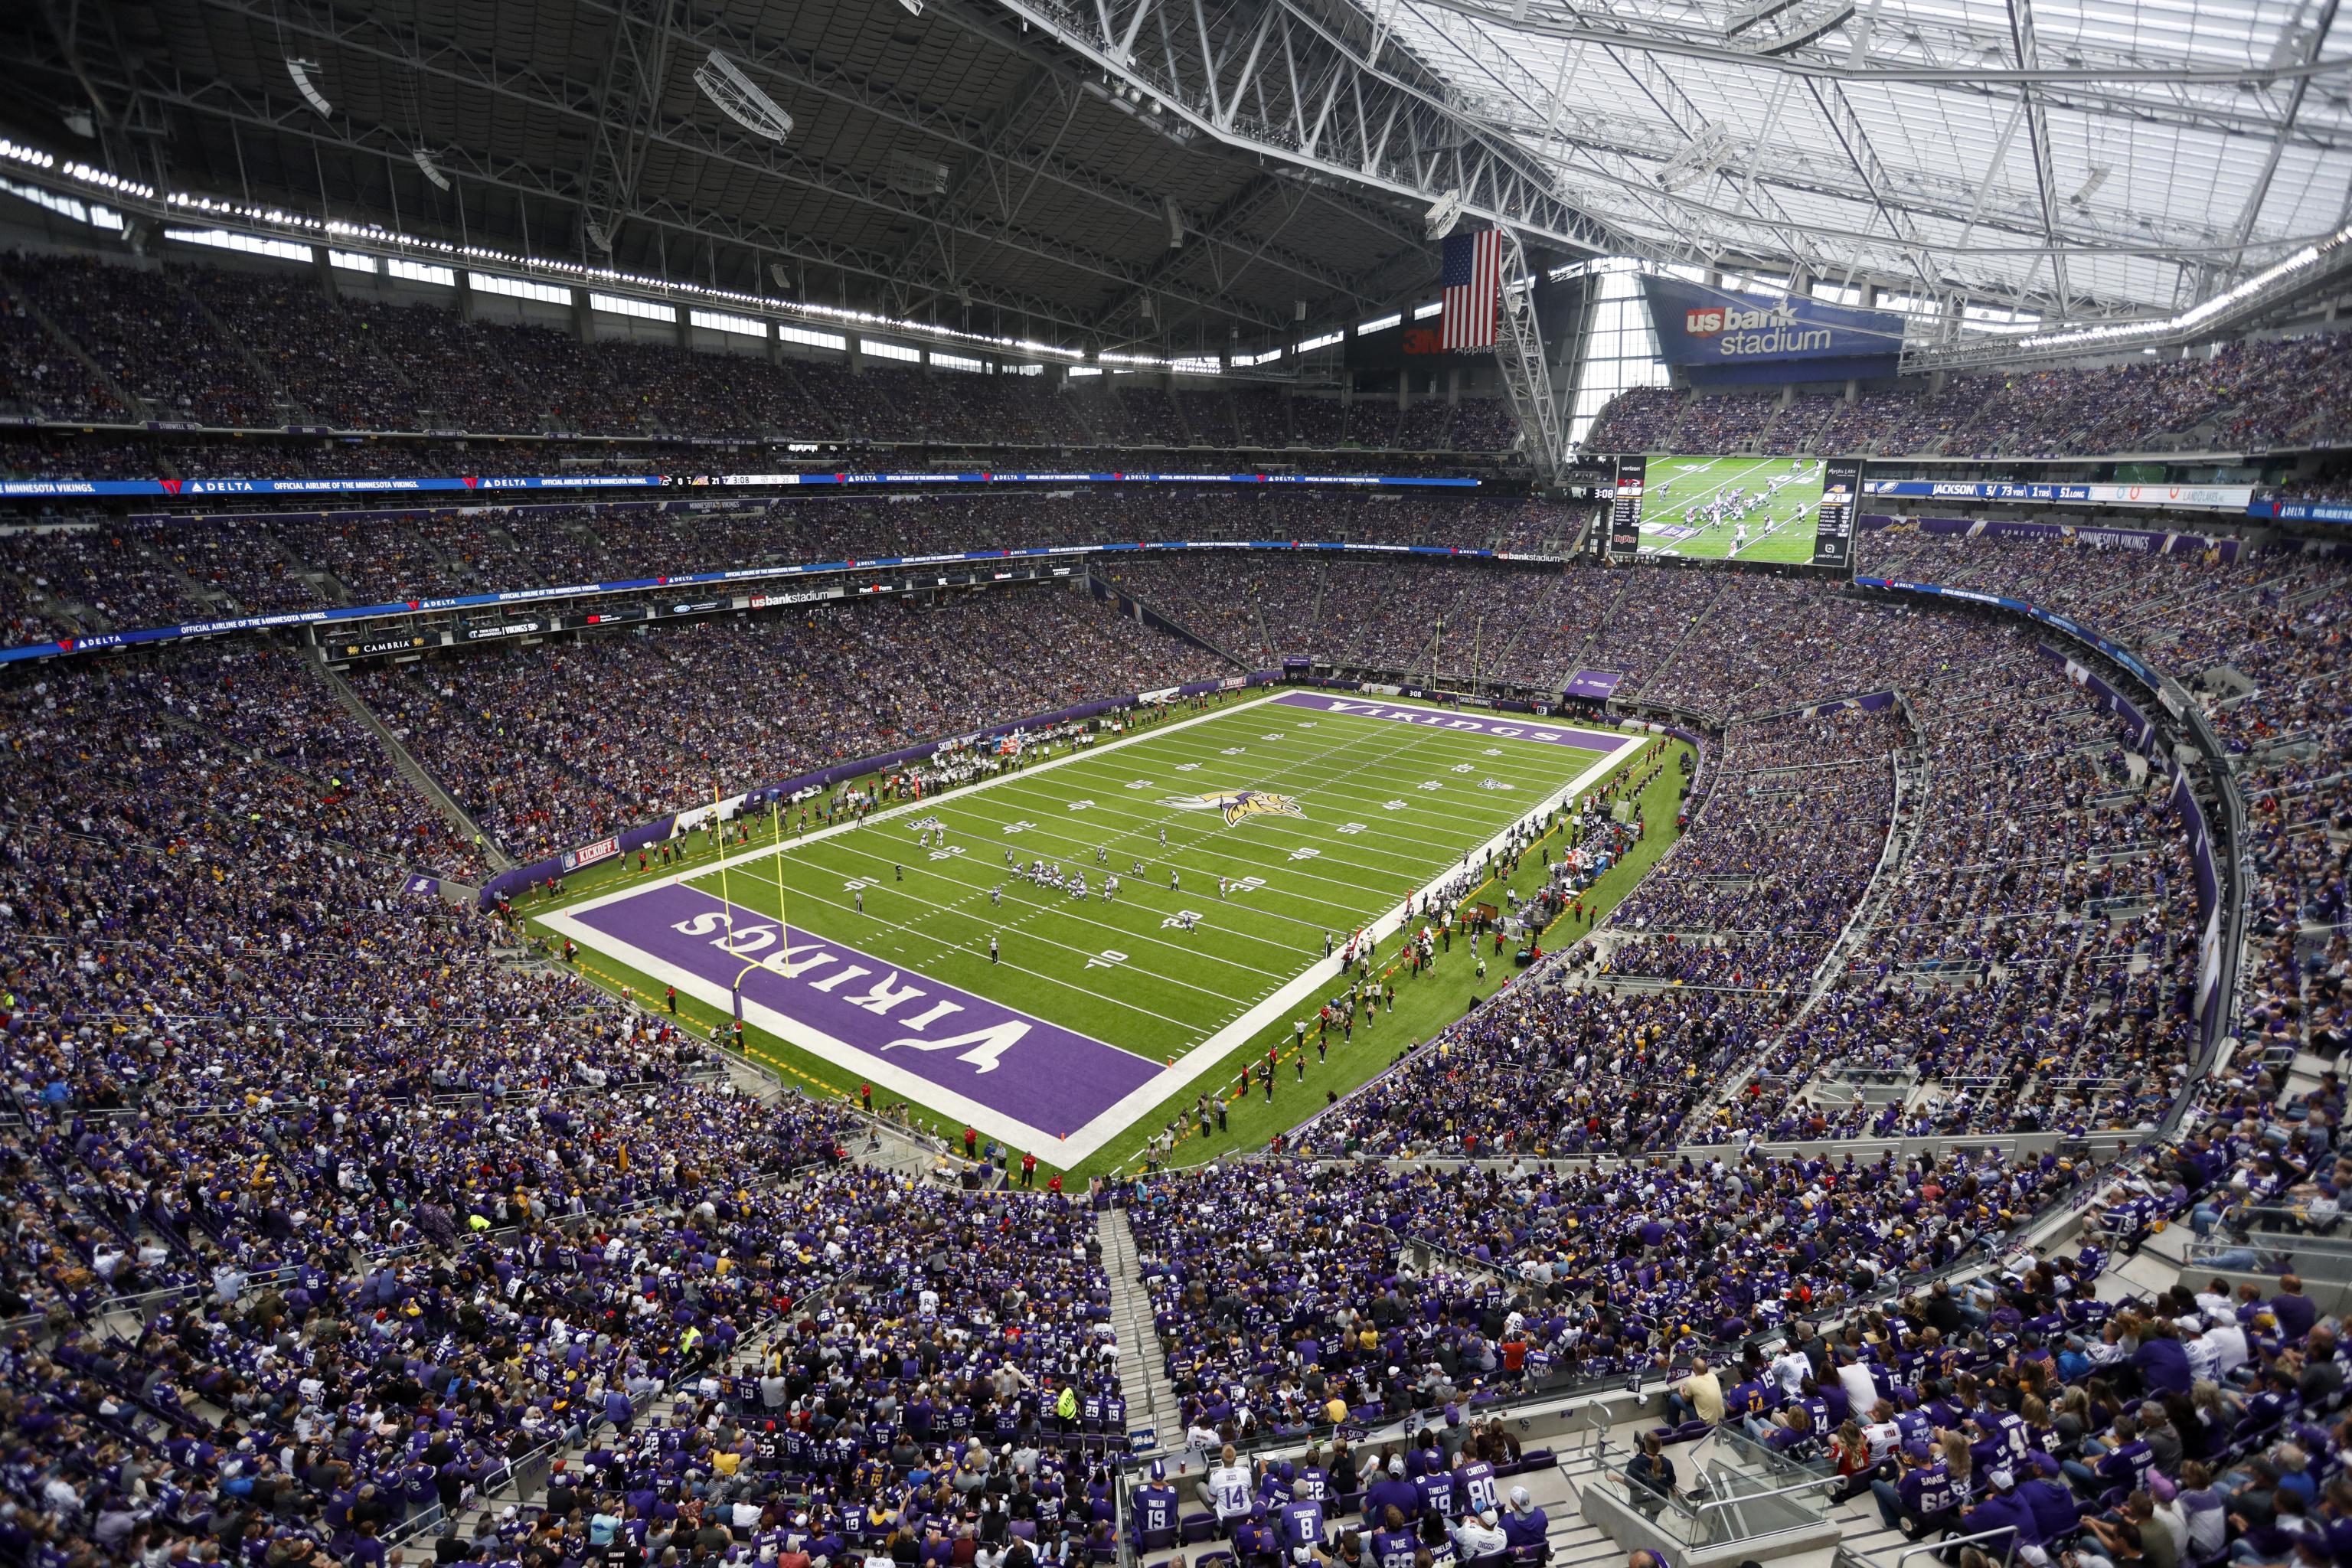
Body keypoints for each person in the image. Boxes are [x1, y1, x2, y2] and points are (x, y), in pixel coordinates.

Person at [1625, 1433, 1674, 1521]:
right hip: (1658, 1501)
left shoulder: (1635, 1462)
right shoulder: (1667, 1463)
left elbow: (1628, 1482)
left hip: (1638, 1497)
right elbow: (1671, 1482)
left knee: (1631, 1513)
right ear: (1660, 1445)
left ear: (1643, 1446)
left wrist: (1614, 1477)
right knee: (1649, 1522)